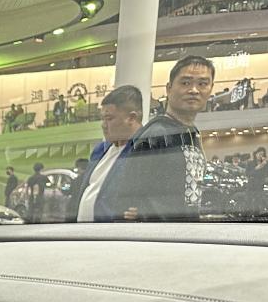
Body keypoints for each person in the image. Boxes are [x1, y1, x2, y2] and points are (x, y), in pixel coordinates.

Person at [107, 55, 213, 222]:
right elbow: (127, 201)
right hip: (161, 235)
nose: (194, 90)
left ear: (211, 89)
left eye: (202, 84)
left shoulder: (191, 133)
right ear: (169, 88)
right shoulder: (156, 134)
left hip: (185, 232)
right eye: (185, 83)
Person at [68, 84, 143, 222]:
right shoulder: (100, 150)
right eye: (102, 119)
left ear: (131, 118)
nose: (103, 125)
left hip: (113, 231)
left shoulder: (144, 152)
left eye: (109, 119)